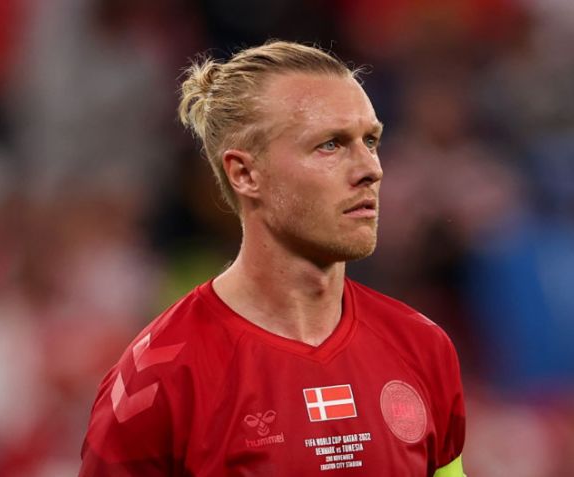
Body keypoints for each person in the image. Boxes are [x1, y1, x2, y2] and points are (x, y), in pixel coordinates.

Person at [79, 40, 466, 476]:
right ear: (245, 173)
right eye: (331, 145)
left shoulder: (423, 347)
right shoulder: (156, 380)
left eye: (370, 141)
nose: (371, 169)